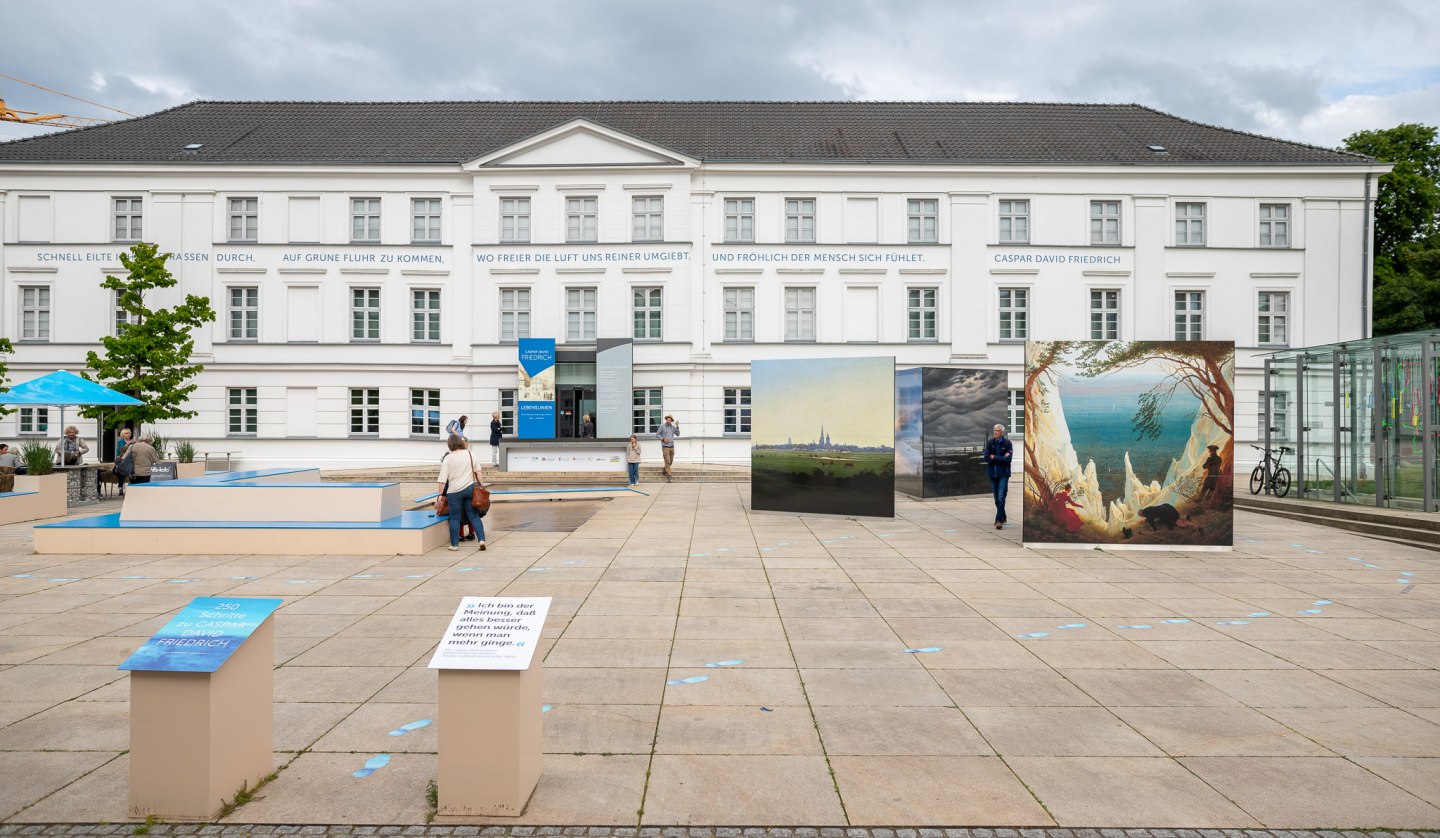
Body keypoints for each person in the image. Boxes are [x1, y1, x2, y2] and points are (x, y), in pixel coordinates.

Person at [436, 433, 486, 551]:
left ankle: (454, 545)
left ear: (450, 445)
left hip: (454, 492)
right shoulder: (470, 454)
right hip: (470, 488)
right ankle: (482, 540)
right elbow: (478, 472)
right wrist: (481, 485)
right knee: (474, 516)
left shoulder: (448, 458)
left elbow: (442, 481)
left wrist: (439, 495)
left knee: (455, 518)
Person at [983, 423, 1013, 529]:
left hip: (1003, 474)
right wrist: (1000, 457)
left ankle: (998, 520)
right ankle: (1003, 515)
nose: (996, 432)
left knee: (1001, 496)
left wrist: (994, 457)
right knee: (996, 498)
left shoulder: (1007, 443)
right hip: (993, 473)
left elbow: (1008, 459)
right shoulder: (990, 443)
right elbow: (986, 457)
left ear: (1002, 432)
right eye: (994, 430)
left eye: (998, 430)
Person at [656, 414, 680, 480]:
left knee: (670, 461)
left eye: (670, 420)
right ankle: (669, 475)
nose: (669, 421)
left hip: (672, 446)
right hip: (665, 447)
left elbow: (678, 434)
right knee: (667, 461)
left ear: (671, 421)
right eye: (668, 419)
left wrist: (677, 426)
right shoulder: (662, 426)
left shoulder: (673, 427)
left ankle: (664, 470)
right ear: (666, 419)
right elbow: (657, 434)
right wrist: (663, 439)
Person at [114, 428, 133, 497]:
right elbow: (121, 450)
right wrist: (128, 444)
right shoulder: (121, 442)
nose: (128, 435)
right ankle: (121, 488)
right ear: (122, 434)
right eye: (126, 433)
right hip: (122, 459)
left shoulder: (132, 441)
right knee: (122, 470)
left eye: (129, 433)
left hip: (130, 459)